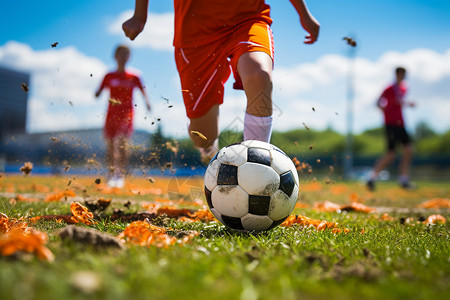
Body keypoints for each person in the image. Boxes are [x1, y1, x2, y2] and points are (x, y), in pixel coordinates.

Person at [122, 0, 320, 163]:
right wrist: (140, 15)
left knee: (259, 75)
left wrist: (303, 12)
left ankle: (256, 166)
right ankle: (209, 151)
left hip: (247, 17)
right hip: (194, 31)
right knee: (203, 135)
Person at [95, 45, 151, 188]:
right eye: (120, 53)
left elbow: (143, 91)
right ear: (115, 56)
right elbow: (99, 91)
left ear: (129, 57)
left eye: (126, 54)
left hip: (127, 114)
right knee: (111, 145)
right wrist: (97, 93)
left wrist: (148, 103)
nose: (123, 56)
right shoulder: (109, 76)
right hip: (111, 114)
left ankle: (120, 175)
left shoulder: (134, 76)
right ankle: (111, 174)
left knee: (122, 143)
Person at [367, 66, 415, 191]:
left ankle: (403, 179)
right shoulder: (389, 88)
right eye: (401, 74)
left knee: (409, 150)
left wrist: (407, 104)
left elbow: (400, 102)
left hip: (401, 123)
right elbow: (378, 102)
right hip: (391, 124)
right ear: (396, 74)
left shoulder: (404, 88)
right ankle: (371, 177)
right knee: (391, 154)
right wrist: (385, 111)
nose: (402, 76)